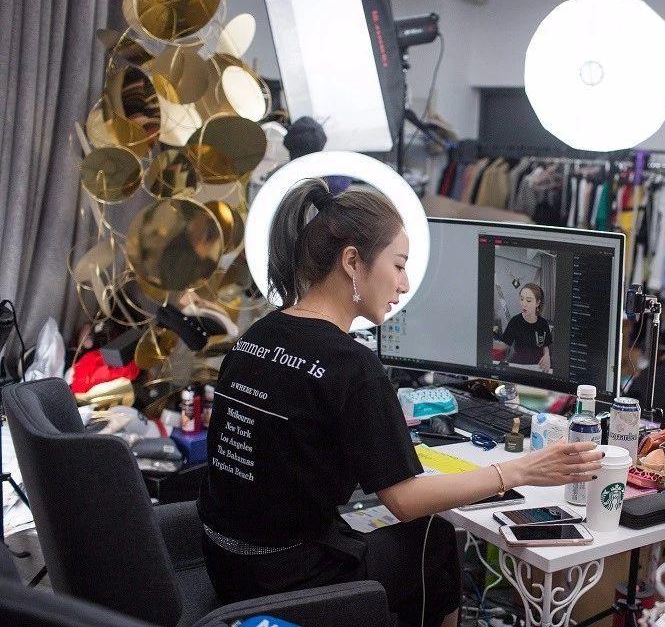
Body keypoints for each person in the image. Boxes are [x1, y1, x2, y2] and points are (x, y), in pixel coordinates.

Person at [197, 179, 602, 627]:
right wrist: (520, 471)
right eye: (399, 265)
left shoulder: (259, 334)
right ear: (353, 261)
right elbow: (405, 501)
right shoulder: (351, 366)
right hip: (285, 579)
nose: (405, 284)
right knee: (434, 539)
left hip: (225, 565)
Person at [493, 283, 553, 373]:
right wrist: (488, 342)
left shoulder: (543, 323)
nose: (523, 304)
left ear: (537, 303)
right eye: (521, 299)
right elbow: (503, 345)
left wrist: (547, 355)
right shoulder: (515, 321)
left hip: (537, 366)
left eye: (528, 300)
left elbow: (545, 346)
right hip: (518, 365)